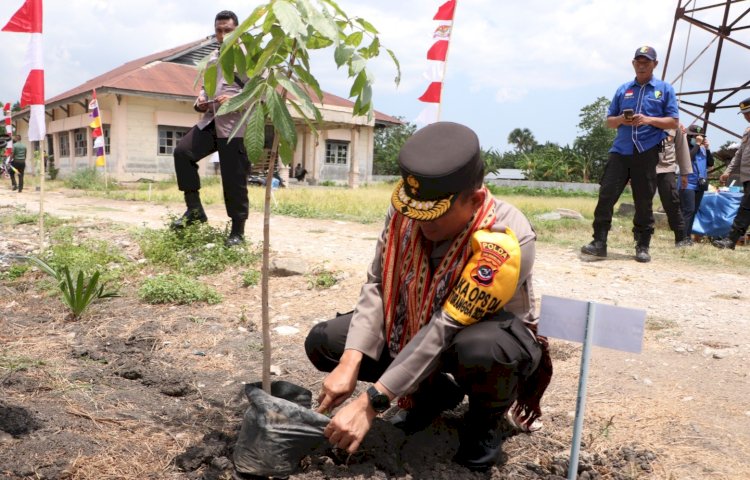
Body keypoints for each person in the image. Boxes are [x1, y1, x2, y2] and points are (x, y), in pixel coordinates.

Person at [304, 122, 552, 472]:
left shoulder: (507, 237)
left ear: (476, 199)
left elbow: (446, 325)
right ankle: (430, 394)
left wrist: (372, 401)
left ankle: (484, 422)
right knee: (326, 340)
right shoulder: (408, 212)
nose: (419, 224)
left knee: (482, 350)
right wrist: (350, 361)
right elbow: (377, 285)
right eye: (413, 211)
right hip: (417, 326)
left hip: (474, 338)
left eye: (435, 217)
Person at [581, 46, 679, 263]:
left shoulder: (664, 89)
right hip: (621, 150)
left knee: (643, 200)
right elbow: (609, 121)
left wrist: (648, 119)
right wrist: (621, 120)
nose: (642, 65)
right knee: (606, 195)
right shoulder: (623, 89)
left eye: (647, 61)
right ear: (633, 63)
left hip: (646, 151)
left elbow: (673, 121)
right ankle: (599, 242)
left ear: (655, 64)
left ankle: (642, 245)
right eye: (639, 61)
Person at [172, 10, 250, 247]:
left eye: (228, 30)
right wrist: (201, 100)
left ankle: (237, 232)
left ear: (237, 30)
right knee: (182, 152)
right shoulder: (213, 58)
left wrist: (234, 101)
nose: (223, 34)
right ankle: (194, 211)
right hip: (211, 121)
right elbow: (207, 88)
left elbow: (262, 93)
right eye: (219, 30)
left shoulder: (250, 58)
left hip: (236, 127)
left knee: (233, 179)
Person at [712, 97, 750, 249]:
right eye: (744, 114)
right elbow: (739, 154)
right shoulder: (747, 131)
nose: (746, 116)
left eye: (748, 112)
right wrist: (727, 171)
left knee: (745, 208)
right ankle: (731, 240)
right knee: (746, 208)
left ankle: (731, 240)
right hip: (747, 177)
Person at [657, 126, 693, 246]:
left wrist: (684, 174)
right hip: (645, 167)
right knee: (642, 203)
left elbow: (682, 150)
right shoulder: (643, 120)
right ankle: (640, 235)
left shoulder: (675, 126)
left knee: (672, 202)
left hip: (666, 168)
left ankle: (680, 237)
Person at [679, 125, 714, 241]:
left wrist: (707, 149)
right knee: (687, 210)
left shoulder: (703, 149)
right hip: (687, 182)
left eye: (701, 137)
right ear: (690, 136)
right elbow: (687, 159)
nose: (699, 138)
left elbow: (710, 163)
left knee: (693, 211)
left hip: (700, 184)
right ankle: (682, 237)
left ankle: (687, 236)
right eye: (696, 137)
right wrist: (698, 145)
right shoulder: (685, 147)